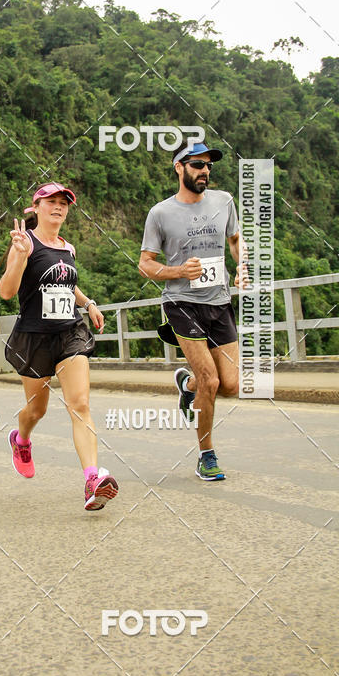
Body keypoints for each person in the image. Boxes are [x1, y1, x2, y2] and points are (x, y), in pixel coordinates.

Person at [0, 182, 119, 511]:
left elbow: (67, 284)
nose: (58, 207)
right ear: (35, 208)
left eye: (64, 203)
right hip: (34, 337)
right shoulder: (25, 243)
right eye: (51, 201)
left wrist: (89, 303)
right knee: (36, 410)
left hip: (69, 333)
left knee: (79, 404)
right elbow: (7, 291)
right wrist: (19, 256)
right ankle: (21, 440)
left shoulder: (68, 248)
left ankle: (92, 479)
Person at [138, 142, 248, 481]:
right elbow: (145, 264)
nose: (205, 171)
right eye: (197, 164)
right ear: (179, 167)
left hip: (219, 302)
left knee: (231, 385)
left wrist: (242, 265)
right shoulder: (160, 213)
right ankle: (206, 454)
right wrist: (179, 272)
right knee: (210, 381)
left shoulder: (224, 201)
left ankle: (187, 386)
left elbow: (235, 239)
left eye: (208, 165)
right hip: (181, 304)